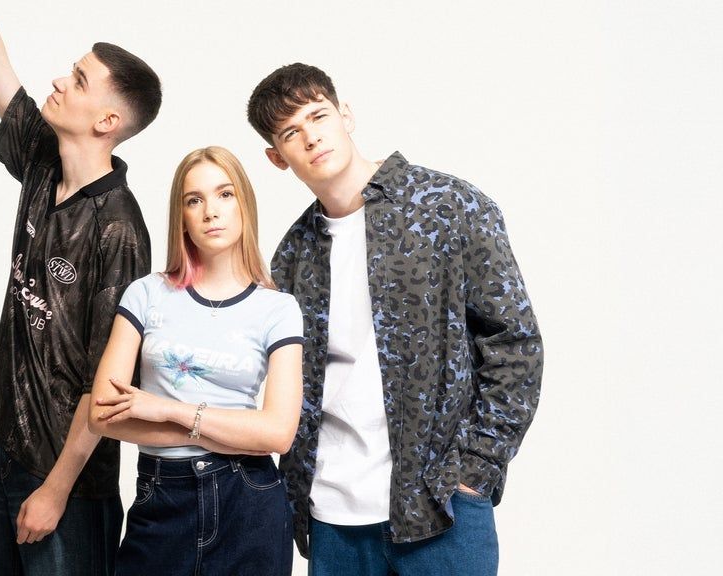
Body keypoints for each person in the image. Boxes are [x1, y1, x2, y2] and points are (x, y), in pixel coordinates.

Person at [246, 63, 544, 575]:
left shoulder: (448, 206)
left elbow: (515, 344)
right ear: (277, 158)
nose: (311, 137)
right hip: (332, 520)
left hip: (441, 510)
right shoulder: (293, 254)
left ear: (345, 115)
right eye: (291, 133)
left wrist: (475, 472)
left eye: (318, 116)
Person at [0, 1, 161, 574]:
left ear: (107, 122)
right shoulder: (42, 161)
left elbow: (107, 384)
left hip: (66, 476)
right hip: (0, 443)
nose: (61, 81)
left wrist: (56, 490)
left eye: (79, 79)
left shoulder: (120, 230)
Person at [86, 146, 304, 576]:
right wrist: (234, 434)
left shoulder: (278, 309)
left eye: (225, 194)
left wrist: (169, 410)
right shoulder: (146, 294)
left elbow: (278, 434)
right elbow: (102, 416)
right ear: (181, 216)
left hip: (248, 500)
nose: (211, 212)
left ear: (244, 204)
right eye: (194, 200)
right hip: (162, 497)